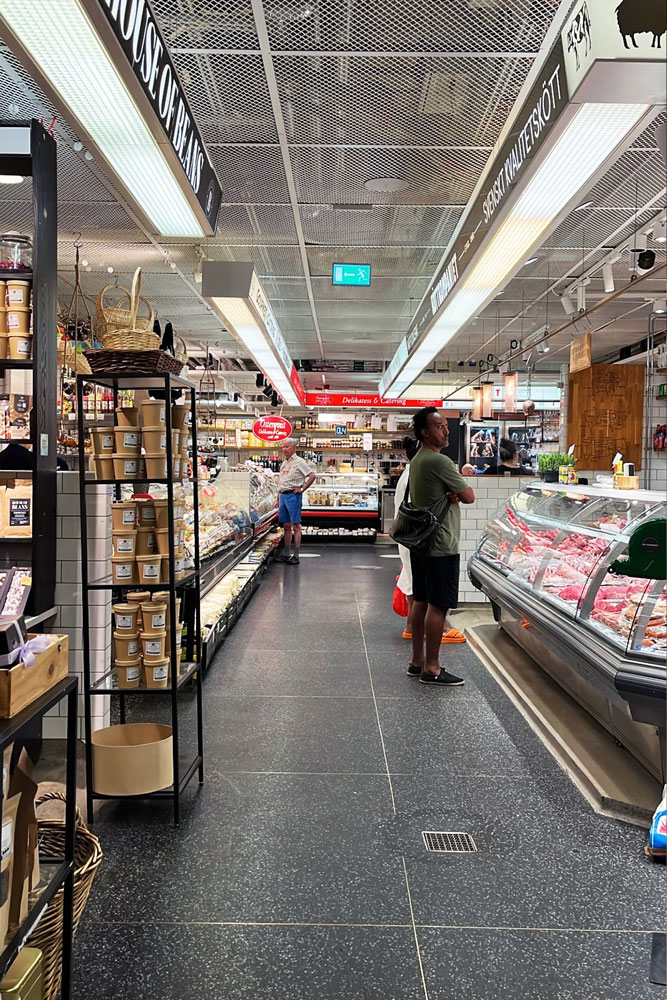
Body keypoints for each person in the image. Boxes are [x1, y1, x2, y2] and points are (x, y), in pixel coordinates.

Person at [407, 407, 475, 686]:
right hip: (441, 544)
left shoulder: (418, 460)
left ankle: (416, 662)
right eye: (439, 426)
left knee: (421, 600)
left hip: (421, 542)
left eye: (446, 425)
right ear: (425, 432)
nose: (446, 430)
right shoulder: (441, 461)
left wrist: (451, 494)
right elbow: (468, 496)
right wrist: (456, 493)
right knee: (439, 606)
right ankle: (432, 668)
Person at [397, 437, 467, 646]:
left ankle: (412, 629)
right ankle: (441, 630)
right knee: (431, 589)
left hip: (409, 535)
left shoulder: (409, 472)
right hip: (424, 537)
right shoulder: (427, 470)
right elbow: (468, 495)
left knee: (414, 583)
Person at [275, 439, 316, 565]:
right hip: (283, 496)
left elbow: (312, 475)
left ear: (293, 448)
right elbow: (282, 481)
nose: (284, 449)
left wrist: (302, 488)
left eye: (287, 447)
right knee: (286, 526)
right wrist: (278, 498)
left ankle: (296, 556)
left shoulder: (299, 462)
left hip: (293, 496)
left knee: (296, 526)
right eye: (283, 447)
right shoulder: (284, 463)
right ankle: (287, 554)